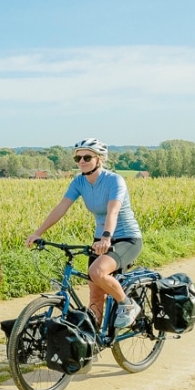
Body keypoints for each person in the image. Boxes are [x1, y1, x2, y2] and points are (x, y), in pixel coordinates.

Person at [26, 138, 143, 329]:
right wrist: (38, 232)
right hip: (101, 239)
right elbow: (61, 208)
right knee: (95, 293)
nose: (81, 161)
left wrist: (106, 237)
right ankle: (94, 338)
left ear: (100, 159)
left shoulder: (115, 181)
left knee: (97, 272)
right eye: (77, 158)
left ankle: (127, 304)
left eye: (87, 157)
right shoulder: (79, 181)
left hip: (126, 238)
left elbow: (113, 211)